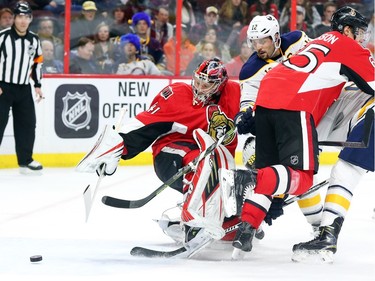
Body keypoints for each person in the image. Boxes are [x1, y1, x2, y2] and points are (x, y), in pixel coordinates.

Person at [220, 6, 374, 259]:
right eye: (357, 32)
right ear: (346, 30)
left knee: (274, 178)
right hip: (294, 106)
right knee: (302, 178)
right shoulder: (349, 47)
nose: (361, 38)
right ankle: (247, 181)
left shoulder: (316, 40)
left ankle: (245, 231)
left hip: (268, 103)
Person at [76, 58, 244, 256]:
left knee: (235, 197)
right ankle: (192, 221)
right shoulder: (177, 95)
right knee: (202, 160)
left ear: (219, 86)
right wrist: (119, 146)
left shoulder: (236, 94)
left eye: (206, 85)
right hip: (170, 155)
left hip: (214, 159)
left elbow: (260, 109)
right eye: (197, 82)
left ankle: (222, 220)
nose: (199, 88)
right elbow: (147, 123)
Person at [234, 14, 323, 232]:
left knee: (300, 169)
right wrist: (244, 116)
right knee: (291, 169)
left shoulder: (298, 40)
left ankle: (318, 225)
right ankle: (267, 204)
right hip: (283, 122)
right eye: (253, 42)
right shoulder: (251, 69)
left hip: (313, 109)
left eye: (262, 41)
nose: (258, 47)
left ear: (275, 37)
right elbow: (247, 100)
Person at [292, 84, 374, 263]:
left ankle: (324, 233)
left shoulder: (328, 91)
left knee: (346, 171)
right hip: (355, 111)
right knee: (305, 162)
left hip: (367, 115)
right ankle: (322, 229)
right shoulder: (338, 88)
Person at [0, 1, 44, 175]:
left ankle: (25, 161)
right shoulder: (2, 37)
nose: (23, 21)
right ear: (14, 18)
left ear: (31, 19)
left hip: (24, 88)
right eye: (19, 17)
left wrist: (38, 85)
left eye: (27, 17)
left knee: (27, 124)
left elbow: (37, 63)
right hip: (3, 87)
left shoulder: (34, 40)